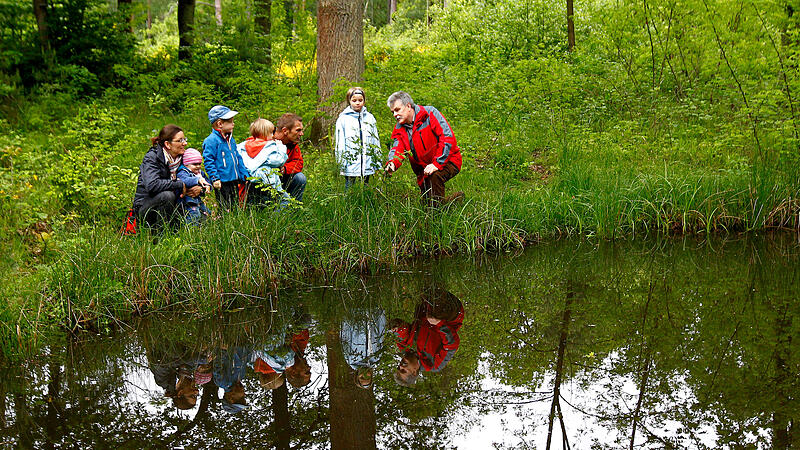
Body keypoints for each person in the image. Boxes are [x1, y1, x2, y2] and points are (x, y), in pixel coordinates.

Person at [384, 91, 464, 206]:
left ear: (408, 106)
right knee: (426, 204)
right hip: (424, 171)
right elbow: (397, 149)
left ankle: (438, 213)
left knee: (434, 183)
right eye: (392, 112)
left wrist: (436, 164)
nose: (394, 115)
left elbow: (447, 138)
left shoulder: (429, 114)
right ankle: (456, 200)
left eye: (397, 110)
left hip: (449, 160)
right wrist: (392, 163)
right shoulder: (399, 129)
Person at [132, 124, 203, 231]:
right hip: (146, 207)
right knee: (167, 195)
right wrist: (180, 184)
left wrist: (199, 188)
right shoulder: (152, 158)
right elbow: (152, 185)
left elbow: (199, 176)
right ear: (167, 144)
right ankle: (161, 234)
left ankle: (180, 230)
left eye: (185, 139)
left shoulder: (183, 158)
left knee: (202, 217)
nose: (185, 143)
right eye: (180, 140)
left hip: (175, 205)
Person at [390, 288, 464, 386]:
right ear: (414, 372)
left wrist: (397, 328)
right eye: (403, 370)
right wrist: (439, 324)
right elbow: (452, 345)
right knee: (435, 308)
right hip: (449, 315)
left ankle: (427, 285)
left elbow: (403, 330)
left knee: (421, 292)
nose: (401, 366)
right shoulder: (434, 364)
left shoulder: (404, 348)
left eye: (398, 368)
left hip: (425, 308)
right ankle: (432, 289)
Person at [236, 118, 291, 209]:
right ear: (265, 133)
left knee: (255, 203)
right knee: (285, 201)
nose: (273, 136)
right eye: (271, 133)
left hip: (248, 181)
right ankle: (275, 217)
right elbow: (278, 161)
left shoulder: (242, 146)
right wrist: (281, 147)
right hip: (267, 181)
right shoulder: (270, 147)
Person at [202, 105, 249, 210]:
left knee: (235, 204)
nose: (233, 124)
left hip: (234, 179)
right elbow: (209, 161)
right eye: (230, 121)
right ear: (220, 124)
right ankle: (223, 218)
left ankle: (235, 218)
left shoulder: (231, 139)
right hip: (222, 181)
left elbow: (237, 157)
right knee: (225, 206)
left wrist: (243, 173)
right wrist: (215, 178)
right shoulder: (211, 141)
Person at [335, 87, 382, 189]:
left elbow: (375, 140)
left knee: (366, 186)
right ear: (349, 101)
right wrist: (341, 162)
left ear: (364, 101)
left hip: (367, 162)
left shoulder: (370, 118)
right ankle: (349, 200)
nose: (357, 103)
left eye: (360, 100)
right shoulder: (343, 119)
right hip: (350, 163)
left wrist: (377, 161)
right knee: (349, 187)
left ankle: (366, 199)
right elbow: (340, 142)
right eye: (354, 100)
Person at [273, 113, 307, 202]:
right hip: (265, 179)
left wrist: (284, 169)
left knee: (300, 178)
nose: (301, 134)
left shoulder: (292, 144)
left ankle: (294, 207)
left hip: (283, 177)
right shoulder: (268, 140)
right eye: (298, 130)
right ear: (285, 131)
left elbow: (298, 163)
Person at [176, 148, 213, 226]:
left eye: (199, 164)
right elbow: (185, 181)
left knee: (206, 213)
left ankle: (204, 228)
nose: (198, 166)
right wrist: (197, 180)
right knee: (194, 215)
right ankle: (191, 229)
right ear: (186, 164)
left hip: (198, 200)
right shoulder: (183, 172)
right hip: (188, 202)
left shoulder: (200, 173)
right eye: (195, 164)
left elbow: (207, 181)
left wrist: (208, 186)